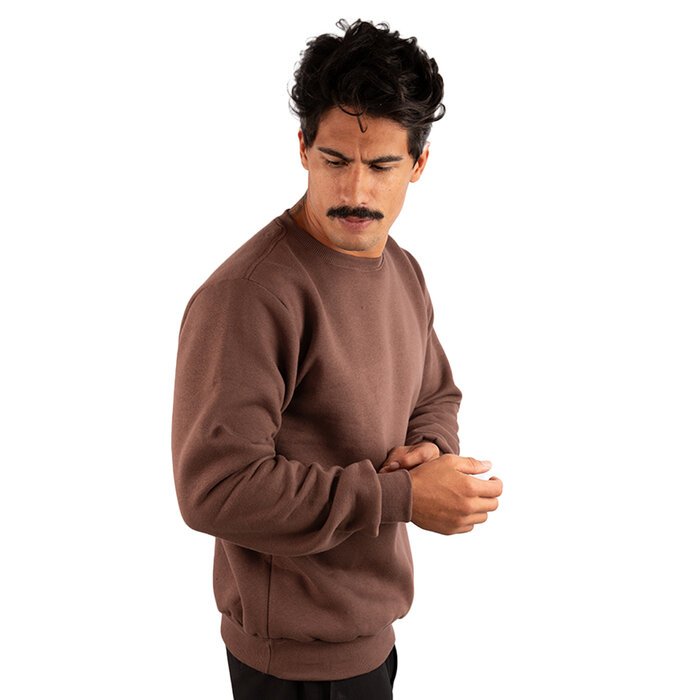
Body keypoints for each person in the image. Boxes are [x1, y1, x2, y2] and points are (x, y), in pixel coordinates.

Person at [171, 18, 502, 699]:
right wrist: (404, 496)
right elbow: (215, 488)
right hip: (290, 665)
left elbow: (434, 392)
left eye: (381, 166)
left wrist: (430, 450)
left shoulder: (402, 270)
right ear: (302, 148)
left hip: (373, 637)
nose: (356, 192)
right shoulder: (251, 295)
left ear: (418, 165)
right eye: (334, 161)